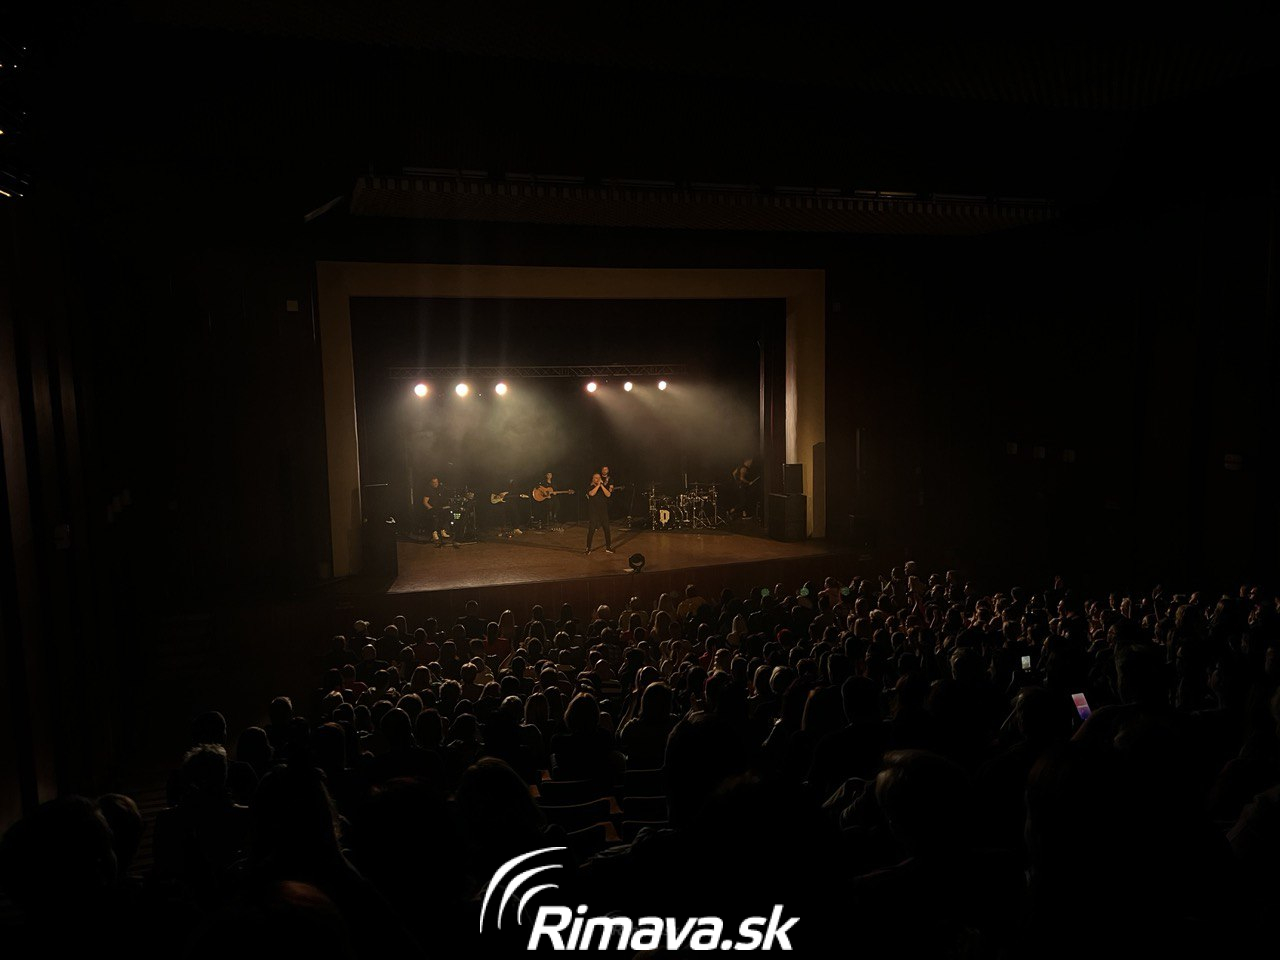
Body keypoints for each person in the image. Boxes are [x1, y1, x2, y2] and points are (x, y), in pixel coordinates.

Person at [585, 472, 613, 554]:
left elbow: (608, 495)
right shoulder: (590, 487)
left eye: (599, 478)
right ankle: (588, 548)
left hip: (603, 512)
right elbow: (591, 494)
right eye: (596, 478)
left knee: (607, 529)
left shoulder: (603, 487)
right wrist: (598, 485)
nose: (598, 479)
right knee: (591, 530)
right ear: (593, 479)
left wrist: (602, 486)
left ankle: (608, 547)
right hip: (594, 512)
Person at [420, 476, 452, 545]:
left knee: (447, 512)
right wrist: (431, 508)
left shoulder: (439, 489)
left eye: (436, 482)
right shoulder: (428, 490)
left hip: (439, 508)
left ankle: (443, 530)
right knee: (436, 517)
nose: (435, 484)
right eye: (434, 482)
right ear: (431, 483)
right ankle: (434, 533)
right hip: (431, 509)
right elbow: (425, 502)